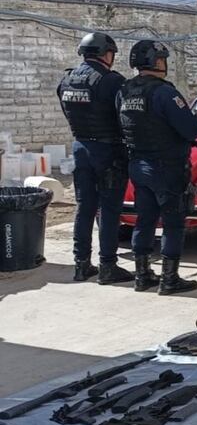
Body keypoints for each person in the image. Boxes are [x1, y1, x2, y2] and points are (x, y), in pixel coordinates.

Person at [117, 40, 197, 295]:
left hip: (138, 165)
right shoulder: (165, 93)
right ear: (157, 61)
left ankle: (142, 275)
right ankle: (169, 279)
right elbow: (190, 129)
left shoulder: (124, 92)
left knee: (144, 220)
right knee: (172, 222)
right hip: (166, 168)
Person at [57, 33, 133, 285]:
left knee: (85, 207)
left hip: (80, 148)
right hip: (108, 150)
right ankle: (108, 265)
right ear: (106, 54)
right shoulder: (112, 81)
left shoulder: (67, 80)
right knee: (109, 210)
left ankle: (81, 264)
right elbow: (124, 117)